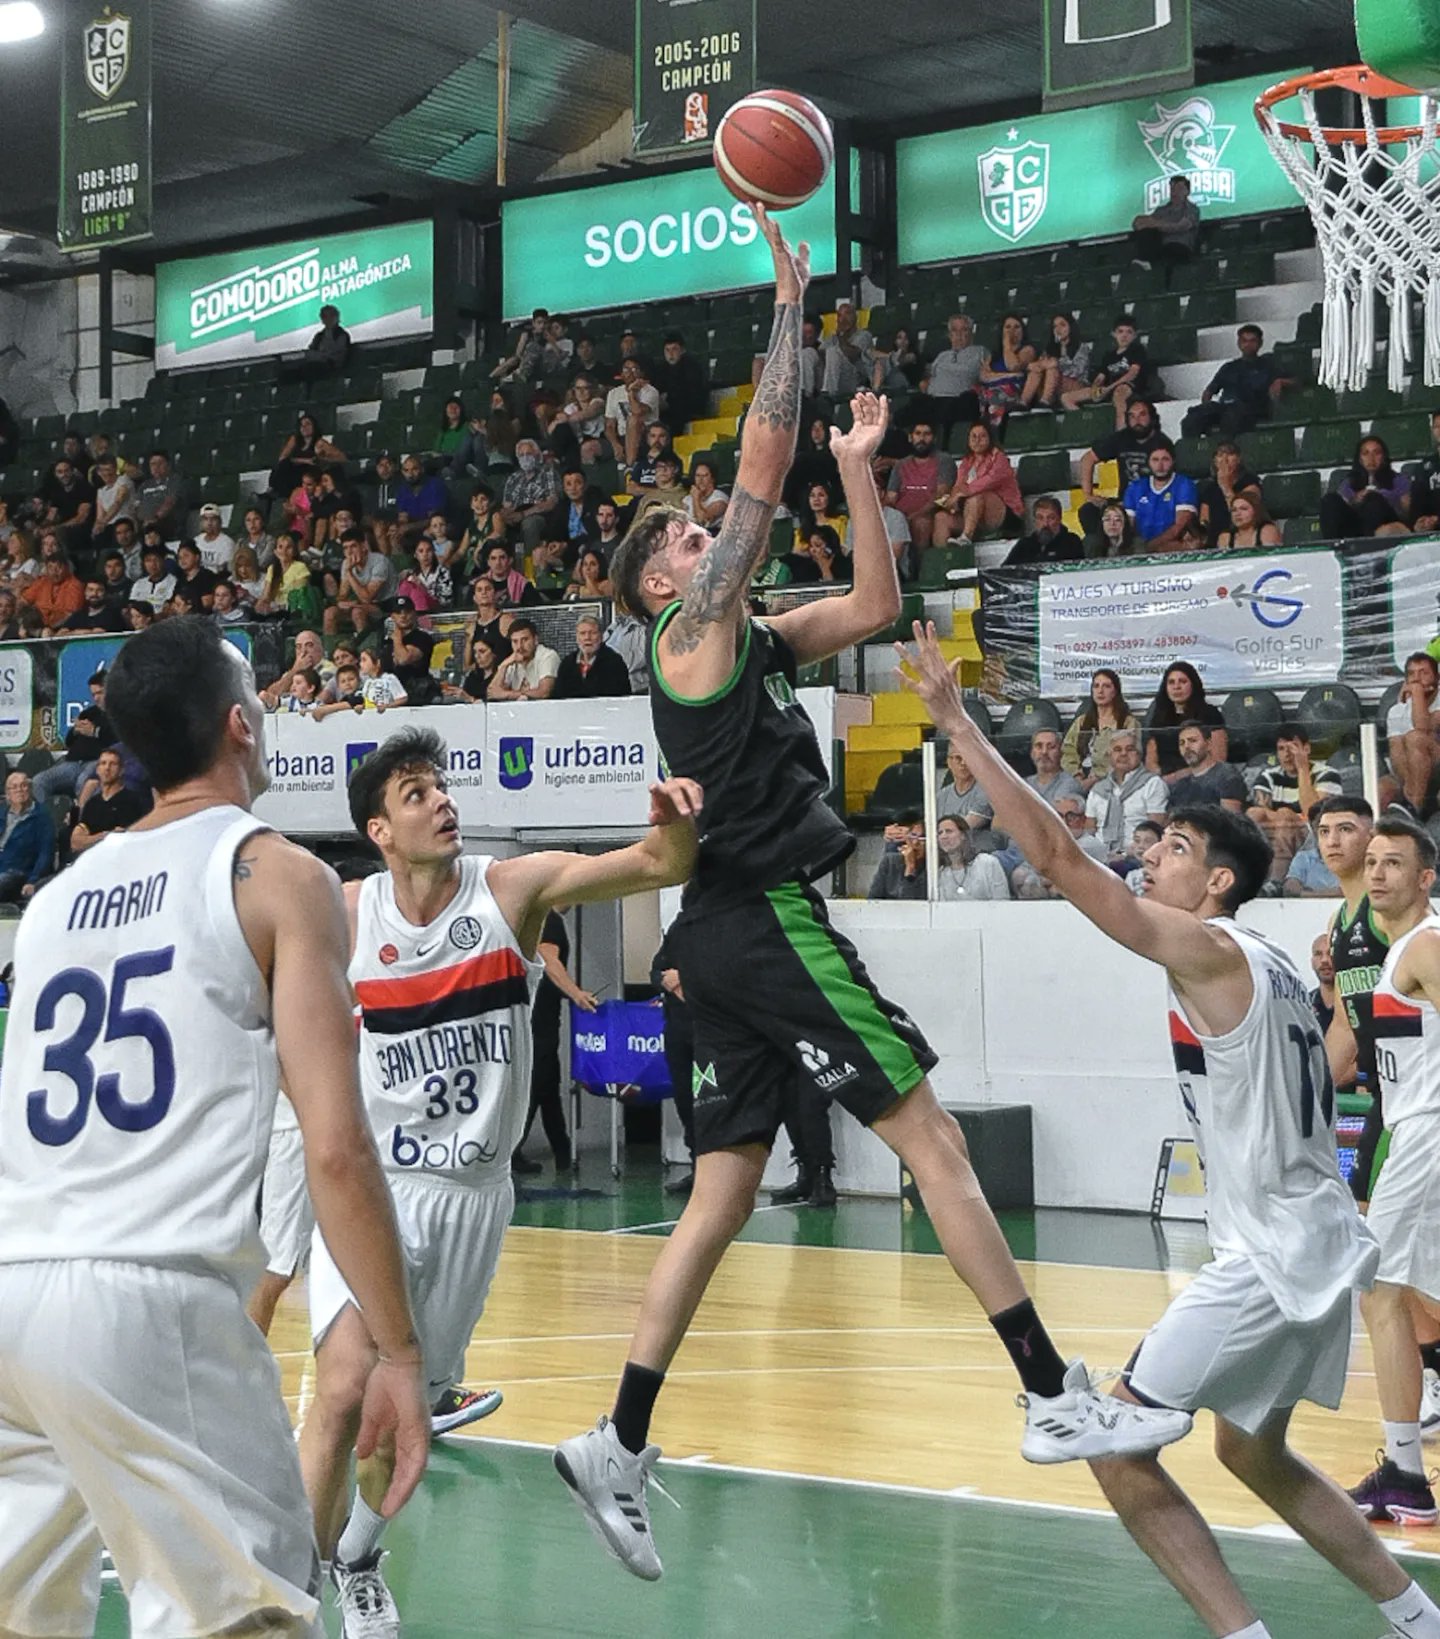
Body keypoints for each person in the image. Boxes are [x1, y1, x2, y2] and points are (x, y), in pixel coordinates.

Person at [553, 209, 1189, 1584]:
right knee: (933, 1141)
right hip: (769, 917)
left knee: (720, 1193)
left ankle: (617, 1435)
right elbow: (756, 457)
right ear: (659, 581)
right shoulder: (692, 628)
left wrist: (856, 469)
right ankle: (1041, 1386)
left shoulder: (751, 634)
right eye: (678, 533)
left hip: (710, 934)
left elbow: (877, 597)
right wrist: (791, 305)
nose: (698, 530)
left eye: (692, 525)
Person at [899, 621, 1440, 1639]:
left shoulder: (1203, 949)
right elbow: (1331, 1068)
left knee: (1113, 1445)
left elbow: (1058, 857)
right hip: (1321, 1237)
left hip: (1272, 1252)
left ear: (1221, 881)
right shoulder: (1274, 959)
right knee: (1253, 1452)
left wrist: (959, 724)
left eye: (1177, 849)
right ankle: (1418, 1616)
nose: (1153, 860)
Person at [0, 618, 431, 1638]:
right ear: (240, 724)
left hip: (12, 1289)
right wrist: (401, 1355)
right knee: (246, 1619)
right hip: (152, 1300)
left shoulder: (56, 900)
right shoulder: (278, 873)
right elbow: (336, 1142)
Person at [298, 727, 702, 1630]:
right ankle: (279, 1593)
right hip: (373, 1187)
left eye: (441, 786)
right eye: (415, 792)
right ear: (380, 829)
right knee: (341, 1384)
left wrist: (674, 827)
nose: (441, 800)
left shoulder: (509, 890)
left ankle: (354, 1555)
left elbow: (654, 862)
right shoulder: (348, 913)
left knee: (392, 1431)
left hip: (472, 1202)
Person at [1341, 818, 1440, 1530]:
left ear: (1424, 877)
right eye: (1372, 861)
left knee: (1379, 1288)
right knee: (1415, 1298)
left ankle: (1406, 1472)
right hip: (1416, 1128)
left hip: (1429, 1133)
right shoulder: (1397, 950)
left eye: (1394, 862)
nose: (1377, 873)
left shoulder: (1426, 945)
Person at [512, 908, 595, 1176]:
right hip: (538, 1016)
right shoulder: (550, 920)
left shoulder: (539, 917)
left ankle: (562, 1150)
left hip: (539, 1013)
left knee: (547, 1085)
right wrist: (576, 994)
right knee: (538, 1081)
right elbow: (548, 959)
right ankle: (512, 1150)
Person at [1247, 725, 1343, 880]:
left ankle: (1275, 882)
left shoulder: (1328, 774)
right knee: (1254, 813)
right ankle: (1246, 877)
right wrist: (1282, 817)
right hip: (1276, 832)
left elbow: (1314, 814)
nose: (1287, 754)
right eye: (1281, 749)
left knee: (1285, 816)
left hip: (1315, 834)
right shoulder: (1268, 776)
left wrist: (1303, 769)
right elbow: (1262, 814)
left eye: (1293, 748)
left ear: (1307, 749)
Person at [1183, 326, 1293, 439]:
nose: (1248, 344)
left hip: (1252, 409)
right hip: (1225, 408)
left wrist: (1281, 381)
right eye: (1244, 341)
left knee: (1232, 416)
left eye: (1252, 341)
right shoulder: (1229, 367)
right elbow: (1209, 391)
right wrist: (1205, 404)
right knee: (1193, 417)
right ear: (1239, 343)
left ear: (1260, 343)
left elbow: (1298, 381)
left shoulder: (1269, 364)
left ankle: (1226, 451)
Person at [1078, 397, 1167, 535]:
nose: (1137, 420)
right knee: (1088, 510)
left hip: (1153, 504)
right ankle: (1101, 553)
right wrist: (1088, 494)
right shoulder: (1121, 438)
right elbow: (1087, 459)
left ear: (1152, 417)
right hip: (1122, 503)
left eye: (1142, 414)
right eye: (1132, 416)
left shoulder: (1162, 443)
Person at [934, 422, 1024, 547]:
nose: (977, 441)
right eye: (974, 437)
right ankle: (943, 558)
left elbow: (985, 483)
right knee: (941, 517)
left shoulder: (999, 458)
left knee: (977, 496)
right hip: (973, 515)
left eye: (982, 436)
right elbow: (958, 486)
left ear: (990, 439)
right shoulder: (967, 462)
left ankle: (966, 538)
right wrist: (951, 500)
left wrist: (959, 495)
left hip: (1005, 515)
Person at [1083, 731, 1169, 857]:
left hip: (1137, 857)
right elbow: (1089, 830)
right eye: (1117, 749)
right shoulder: (1098, 790)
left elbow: (1155, 830)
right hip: (1101, 859)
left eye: (1130, 749)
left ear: (1139, 755)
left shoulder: (1152, 784)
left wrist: (1125, 855)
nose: (1123, 753)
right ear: (1109, 756)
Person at [1145, 662, 1228, 783]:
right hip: (1164, 783)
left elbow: (1218, 759)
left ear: (1193, 685)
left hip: (1203, 781)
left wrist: (1177, 777)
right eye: (1171, 682)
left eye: (1182, 682)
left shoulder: (1210, 714)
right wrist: (1160, 781)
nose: (1176, 687)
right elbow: (1150, 762)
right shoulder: (1159, 717)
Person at [886, 421, 957, 556]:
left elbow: (941, 495)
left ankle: (918, 571)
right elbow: (891, 497)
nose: (922, 439)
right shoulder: (901, 464)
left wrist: (914, 516)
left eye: (927, 434)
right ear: (910, 437)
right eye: (918, 434)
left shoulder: (944, 460)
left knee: (920, 523)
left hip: (928, 515)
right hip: (901, 517)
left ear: (934, 438)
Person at [1062, 668, 1140, 791]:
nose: (1100, 691)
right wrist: (1077, 776)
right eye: (1096, 686)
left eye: (1106, 686)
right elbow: (1068, 752)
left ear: (1115, 691)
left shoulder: (1127, 723)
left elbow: (1130, 757)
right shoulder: (1081, 721)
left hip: (1114, 782)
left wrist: (1096, 779)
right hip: (1079, 780)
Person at [1321, 436, 1413, 540]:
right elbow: (1340, 509)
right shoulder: (1349, 482)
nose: (1371, 458)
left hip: (1385, 526)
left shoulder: (1398, 480)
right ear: (1360, 459)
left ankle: (1370, 544)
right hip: (1357, 528)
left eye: (1376, 453)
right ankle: (1332, 546)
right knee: (1330, 499)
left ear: (1383, 457)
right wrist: (1355, 499)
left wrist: (1384, 498)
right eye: (1366, 453)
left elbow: (1407, 514)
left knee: (1373, 499)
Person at [1388, 652, 1440, 814]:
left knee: (1415, 737)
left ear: (1437, 678)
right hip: (1411, 773)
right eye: (1412, 674)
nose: (1417, 679)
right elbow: (1395, 753)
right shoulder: (1396, 711)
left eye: (1424, 673)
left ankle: (1413, 807)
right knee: (1382, 788)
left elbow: (1423, 726)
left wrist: (1416, 694)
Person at [918, 314, 984, 440]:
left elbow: (986, 375)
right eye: (954, 330)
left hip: (959, 399)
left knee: (957, 404)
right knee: (912, 406)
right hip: (934, 399)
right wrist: (925, 383)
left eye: (964, 330)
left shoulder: (980, 352)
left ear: (971, 333)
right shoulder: (942, 356)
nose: (958, 334)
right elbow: (929, 376)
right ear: (949, 335)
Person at [1123, 442, 1199, 550]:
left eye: (1165, 459)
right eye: (1155, 460)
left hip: (1170, 546)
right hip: (1139, 546)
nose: (1160, 465)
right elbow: (1127, 526)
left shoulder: (1184, 484)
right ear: (1148, 462)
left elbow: (1179, 527)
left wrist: (1149, 548)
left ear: (1173, 461)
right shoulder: (1135, 487)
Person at [1087, 320, 1161, 430]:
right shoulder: (1109, 356)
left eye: (1129, 332)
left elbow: (1132, 374)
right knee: (1067, 397)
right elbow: (1100, 377)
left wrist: (1108, 389)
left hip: (1132, 385)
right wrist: (1095, 391)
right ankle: (1086, 425)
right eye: (1120, 331)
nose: (1124, 335)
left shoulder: (1137, 350)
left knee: (1119, 394)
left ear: (1135, 335)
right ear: (1114, 334)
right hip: (1109, 387)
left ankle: (1121, 433)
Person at [1130, 174, 1201, 282]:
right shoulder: (1162, 210)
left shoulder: (1192, 209)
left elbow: (1181, 226)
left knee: (1172, 252)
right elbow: (1138, 223)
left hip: (1180, 248)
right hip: (1161, 247)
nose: (1174, 192)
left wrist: (1156, 224)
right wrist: (1155, 223)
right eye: (1172, 188)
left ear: (1187, 192)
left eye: (1179, 189)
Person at [0, 770, 54, 903]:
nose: (19, 790)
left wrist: (33, 880)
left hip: (19, 872)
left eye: (24, 785)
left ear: (30, 789)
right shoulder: (2, 814)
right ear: (7, 794)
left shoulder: (41, 817)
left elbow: (45, 853)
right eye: (14, 787)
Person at [1168, 721, 1247, 811]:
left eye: (1193, 740)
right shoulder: (1180, 786)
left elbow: (1231, 820)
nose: (1186, 746)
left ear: (1208, 744)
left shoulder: (1227, 776)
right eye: (1182, 743)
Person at [1198, 443, 1264, 547]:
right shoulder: (1209, 488)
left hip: (1243, 539)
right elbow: (1204, 520)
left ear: (1239, 459)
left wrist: (1225, 485)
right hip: (1216, 543)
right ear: (1215, 462)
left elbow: (1245, 515)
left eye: (1229, 454)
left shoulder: (1251, 483)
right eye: (1220, 455)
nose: (1225, 460)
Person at [976, 313, 1035, 430]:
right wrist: (1010, 376)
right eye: (1007, 327)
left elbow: (1012, 366)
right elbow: (984, 376)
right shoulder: (993, 355)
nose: (1011, 331)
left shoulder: (1027, 350)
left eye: (1016, 327)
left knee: (996, 398)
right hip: (990, 391)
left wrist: (1007, 346)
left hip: (1013, 393)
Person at [554, 613, 632, 700]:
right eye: (582, 633)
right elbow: (558, 696)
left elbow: (620, 696)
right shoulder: (567, 663)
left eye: (593, 633)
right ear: (577, 638)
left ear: (601, 636)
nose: (587, 638)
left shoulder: (614, 662)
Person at [938, 745, 1002, 850]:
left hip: (980, 855)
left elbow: (965, 826)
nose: (963, 763)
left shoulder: (988, 789)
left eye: (968, 758)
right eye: (958, 758)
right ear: (949, 762)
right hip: (950, 856)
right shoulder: (941, 796)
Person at [935, 814, 1009, 899]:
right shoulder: (940, 873)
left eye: (949, 831)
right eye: (940, 833)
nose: (943, 836)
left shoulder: (987, 863)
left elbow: (1002, 900)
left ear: (963, 835)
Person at [490, 617, 559, 702]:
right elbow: (492, 693)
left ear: (536, 640)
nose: (519, 646)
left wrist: (507, 694)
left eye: (525, 640)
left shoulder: (547, 656)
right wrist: (503, 666)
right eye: (515, 641)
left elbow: (544, 692)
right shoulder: (512, 660)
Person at [653, 332, 709, 435]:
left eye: (674, 349)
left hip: (689, 410)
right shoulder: (661, 370)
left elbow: (694, 394)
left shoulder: (692, 367)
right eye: (667, 350)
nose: (670, 354)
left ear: (682, 350)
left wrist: (669, 400)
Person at [867, 808, 927, 900]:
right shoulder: (889, 862)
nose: (915, 842)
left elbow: (911, 906)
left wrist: (910, 869)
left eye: (922, 838)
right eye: (913, 835)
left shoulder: (933, 869)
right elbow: (872, 901)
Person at [1006, 495, 1083, 565]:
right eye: (1040, 518)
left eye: (1051, 518)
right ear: (1034, 520)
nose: (1045, 524)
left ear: (1059, 519)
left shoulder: (1072, 542)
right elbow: (1005, 571)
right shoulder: (1024, 545)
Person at [1216, 492, 1282, 550]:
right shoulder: (1225, 537)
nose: (1237, 514)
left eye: (1244, 509)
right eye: (1234, 510)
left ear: (1256, 511)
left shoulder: (1268, 531)